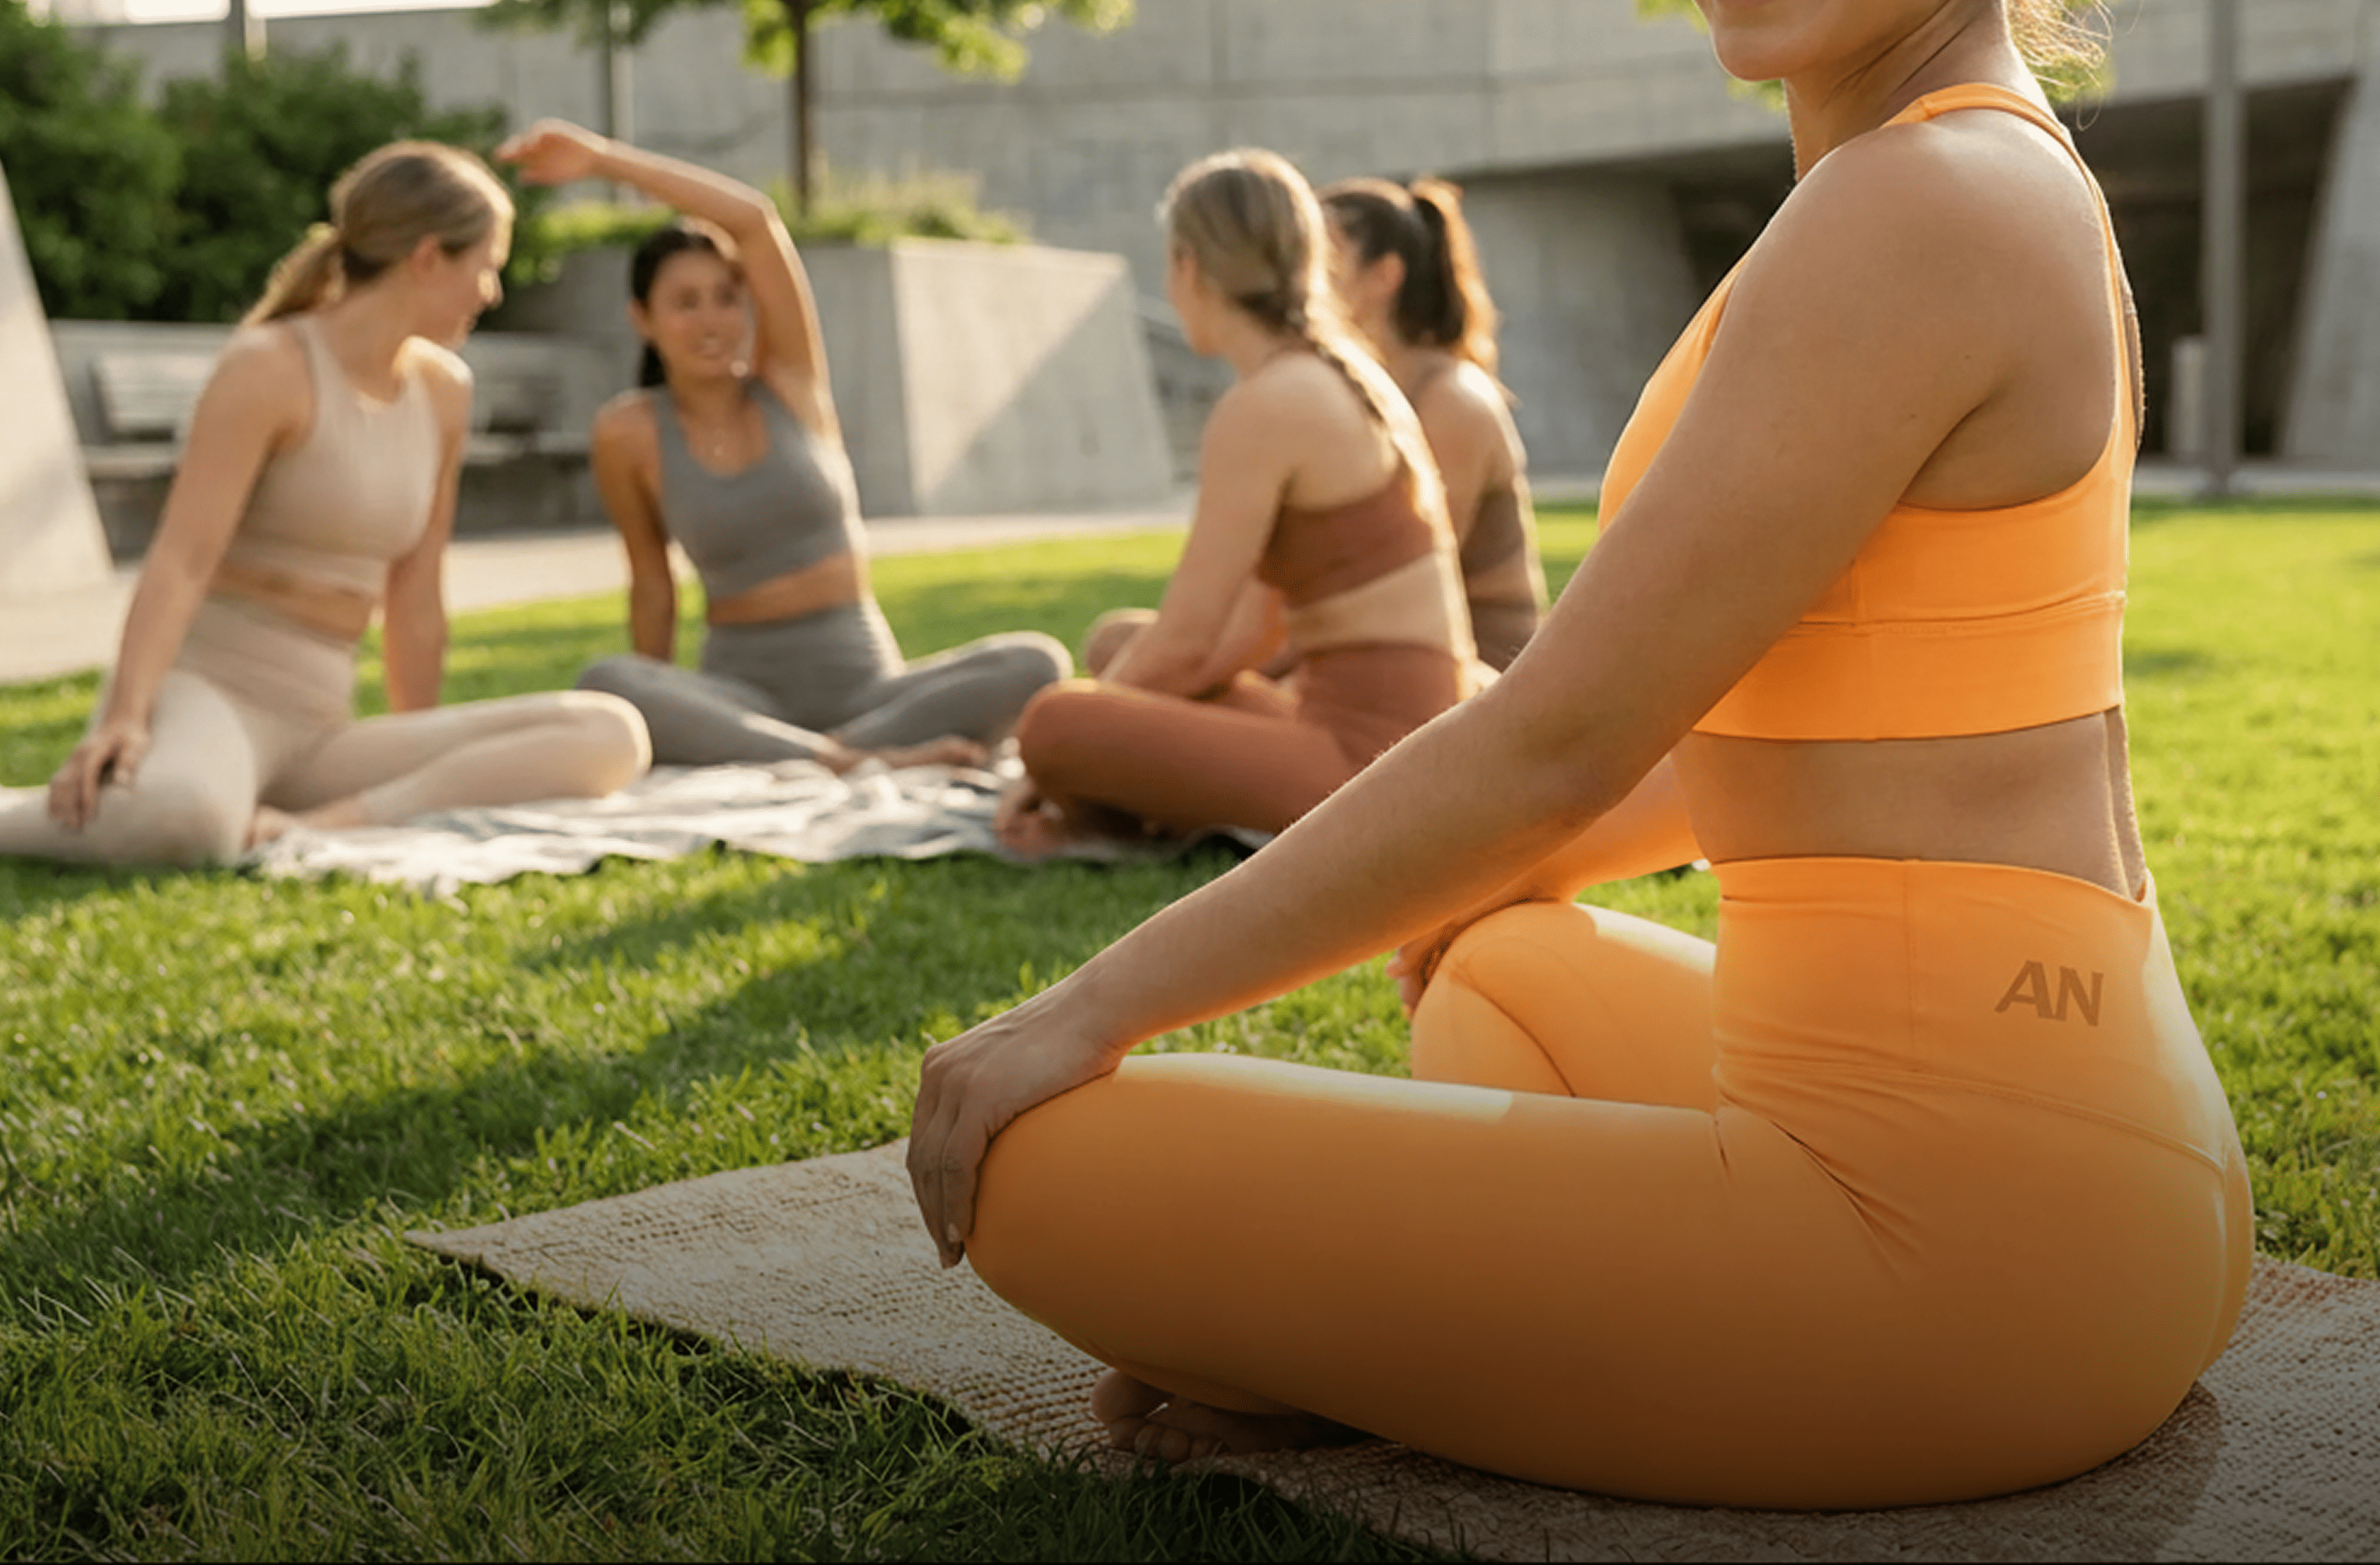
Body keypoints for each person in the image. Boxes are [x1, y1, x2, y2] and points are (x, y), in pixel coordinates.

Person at [905, 0, 2254, 1511]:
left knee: (1030, 1164)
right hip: (2108, 1162)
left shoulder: (1914, 199)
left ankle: (1405, 1349)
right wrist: (1477, 877)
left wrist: (1079, 1010)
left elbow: (1559, 739)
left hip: (1972, 1255)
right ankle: (1456, 1334)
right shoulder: (1973, 171)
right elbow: (1760, 734)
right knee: (1498, 964)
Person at [0, 142, 650, 868]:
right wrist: (124, 714)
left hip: (317, 731)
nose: (492, 291)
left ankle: (344, 819)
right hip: (206, 694)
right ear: (429, 256)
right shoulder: (268, 368)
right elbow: (182, 557)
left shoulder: (444, 391)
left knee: (611, 733)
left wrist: (420, 747)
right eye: (487, 266)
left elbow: (416, 589)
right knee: (187, 823)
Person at [493, 123, 1071, 777]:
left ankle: (834, 754)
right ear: (642, 320)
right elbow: (652, 587)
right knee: (609, 681)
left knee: (1037, 661)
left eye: (726, 297)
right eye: (685, 303)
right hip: (745, 697)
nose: (711, 320)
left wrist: (604, 161)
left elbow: (755, 222)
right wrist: (658, 718)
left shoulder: (794, 386)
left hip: (871, 692)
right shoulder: (627, 433)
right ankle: (844, 759)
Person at [991, 150, 1475, 859]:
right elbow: (1248, 633)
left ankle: (1102, 808)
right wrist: (1131, 703)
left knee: (1053, 722)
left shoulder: (1267, 406)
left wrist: (1067, 739)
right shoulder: (1335, 375)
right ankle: (1121, 802)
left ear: (1188, 267)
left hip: (1374, 763)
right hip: (1397, 737)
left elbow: (1188, 641)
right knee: (1115, 646)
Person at [1319, 176, 1547, 671]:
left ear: (1383, 276)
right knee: (1120, 639)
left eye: (1321, 260)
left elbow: (1410, 577)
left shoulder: (1454, 401)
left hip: (1477, 679)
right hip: (1370, 655)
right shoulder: (1348, 391)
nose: (1297, 279)